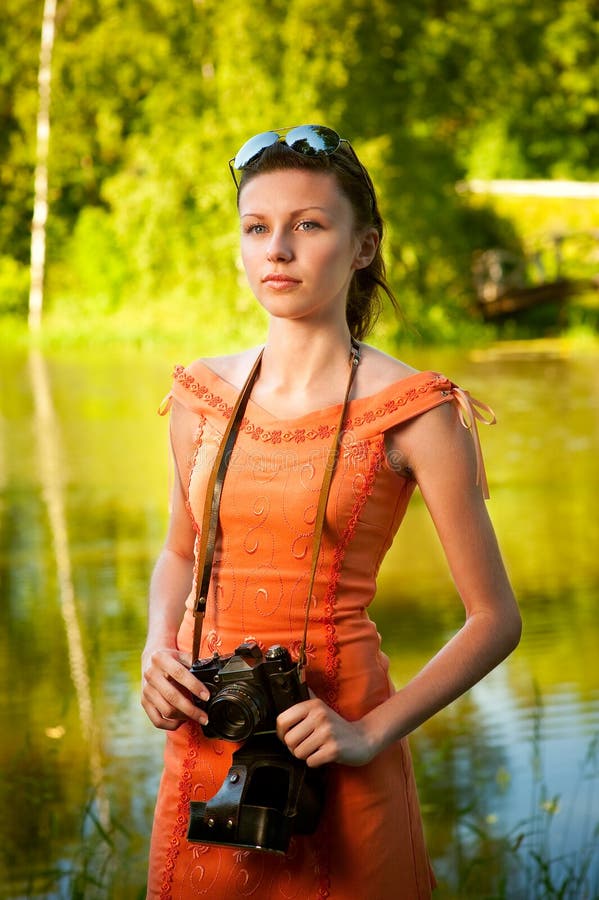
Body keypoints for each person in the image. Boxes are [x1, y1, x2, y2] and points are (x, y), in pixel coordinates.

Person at [141, 124, 521, 899]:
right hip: (209, 736)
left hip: (338, 745)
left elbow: (494, 620)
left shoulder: (415, 413)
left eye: (308, 225)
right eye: (257, 228)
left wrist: (368, 733)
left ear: (362, 247)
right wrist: (157, 649)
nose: (277, 250)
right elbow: (181, 554)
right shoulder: (201, 396)